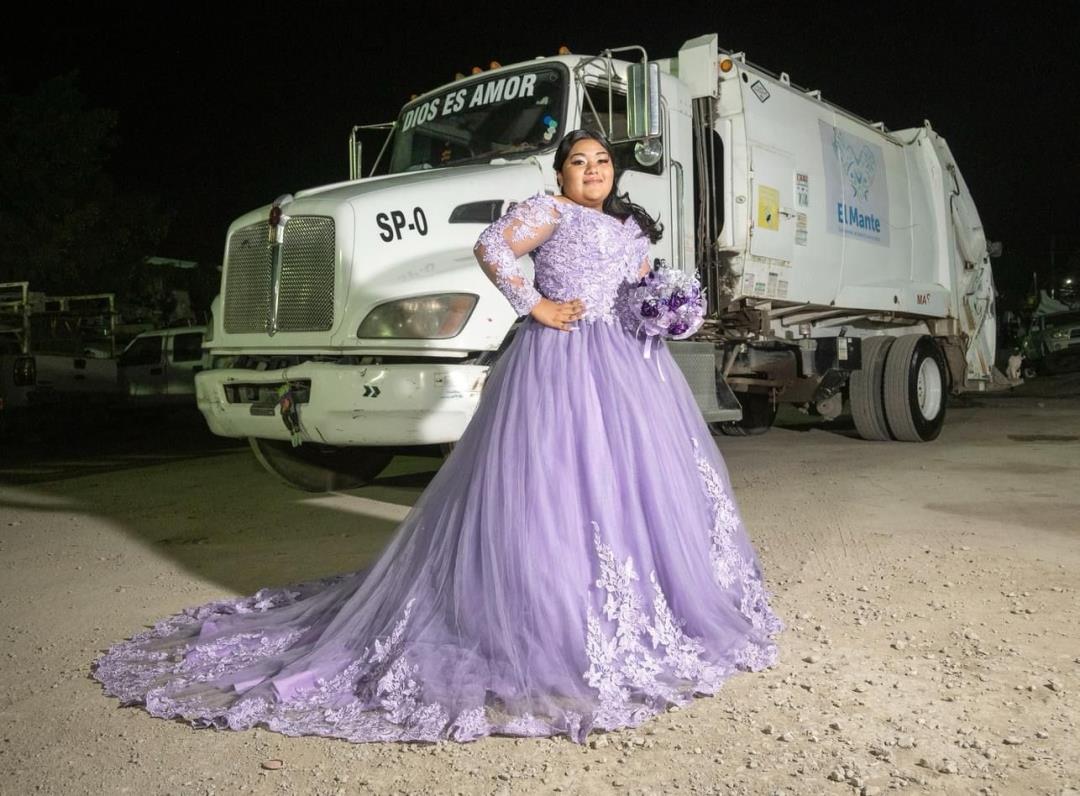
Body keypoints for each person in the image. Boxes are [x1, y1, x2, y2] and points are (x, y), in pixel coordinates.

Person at [93, 129, 781, 744]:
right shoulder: (550, 211)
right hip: (560, 357)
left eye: (602, 161)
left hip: (628, 368)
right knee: (555, 484)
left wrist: (667, 313)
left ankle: (638, 607)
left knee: (631, 484)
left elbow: (637, 290)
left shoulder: (628, 224)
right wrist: (535, 304)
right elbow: (490, 245)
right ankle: (552, 619)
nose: (593, 170)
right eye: (579, 161)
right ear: (561, 172)